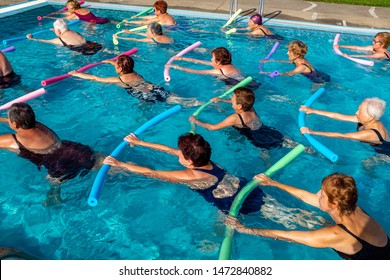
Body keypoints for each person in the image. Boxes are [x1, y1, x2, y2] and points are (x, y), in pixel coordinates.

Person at [225, 173, 390, 260]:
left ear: (334, 205)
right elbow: (306, 196)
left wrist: (244, 229)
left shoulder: (336, 234)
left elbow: (286, 236)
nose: (317, 194)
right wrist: (273, 183)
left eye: (322, 194)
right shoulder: (353, 206)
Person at [103, 133, 264, 214]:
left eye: (180, 153)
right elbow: (168, 150)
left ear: (189, 162)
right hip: (246, 188)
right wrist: (139, 142)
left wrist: (120, 164)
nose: (176, 153)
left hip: (239, 204)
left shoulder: (191, 175)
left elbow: (152, 172)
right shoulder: (207, 160)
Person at [0, 103, 97, 205]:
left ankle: (54, 197)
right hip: (78, 151)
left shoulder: (13, 140)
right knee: (104, 166)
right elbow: (15, 122)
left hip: (61, 166)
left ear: (15, 124)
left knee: (52, 182)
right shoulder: (37, 124)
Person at [189, 87, 283, 150]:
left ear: (239, 106)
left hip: (257, 138)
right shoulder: (250, 107)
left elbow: (213, 128)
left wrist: (196, 121)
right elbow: (240, 103)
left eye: (232, 99)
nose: (231, 100)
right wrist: (221, 100)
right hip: (267, 130)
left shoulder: (235, 118)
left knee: (265, 154)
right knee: (285, 142)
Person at [300, 97, 389, 156]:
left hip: (386, 154)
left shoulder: (371, 133)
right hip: (382, 146)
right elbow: (338, 116)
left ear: (371, 117)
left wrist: (313, 132)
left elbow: (343, 135)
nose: (356, 112)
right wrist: (312, 110)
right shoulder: (367, 120)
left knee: (367, 165)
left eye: (360, 111)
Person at [166, 47, 259, 87]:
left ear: (218, 61)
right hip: (250, 82)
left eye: (212, 58)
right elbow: (200, 62)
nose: (210, 60)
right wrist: (181, 58)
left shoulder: (219, 71)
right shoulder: (227, 65)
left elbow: (196, 71)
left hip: (238, 85)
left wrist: (175, 66)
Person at [260, 40, 330, 83]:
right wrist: (270, 60)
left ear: (296, 55)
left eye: (289, 51)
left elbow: (288, 74)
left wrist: (266, 73)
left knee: (318, 97)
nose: (287, 53)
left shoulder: (301, 67)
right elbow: (288, 61)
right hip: (320, 74)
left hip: (318, 80)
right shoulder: (299, 60)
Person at [26, 19, 102, 55]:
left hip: (81, 51)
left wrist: (32, 38)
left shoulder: (59, 40)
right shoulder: (74, 32)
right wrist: (54, 30)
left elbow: (44, 41)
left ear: (58, 31)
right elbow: (64, 31)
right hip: (92, 45)